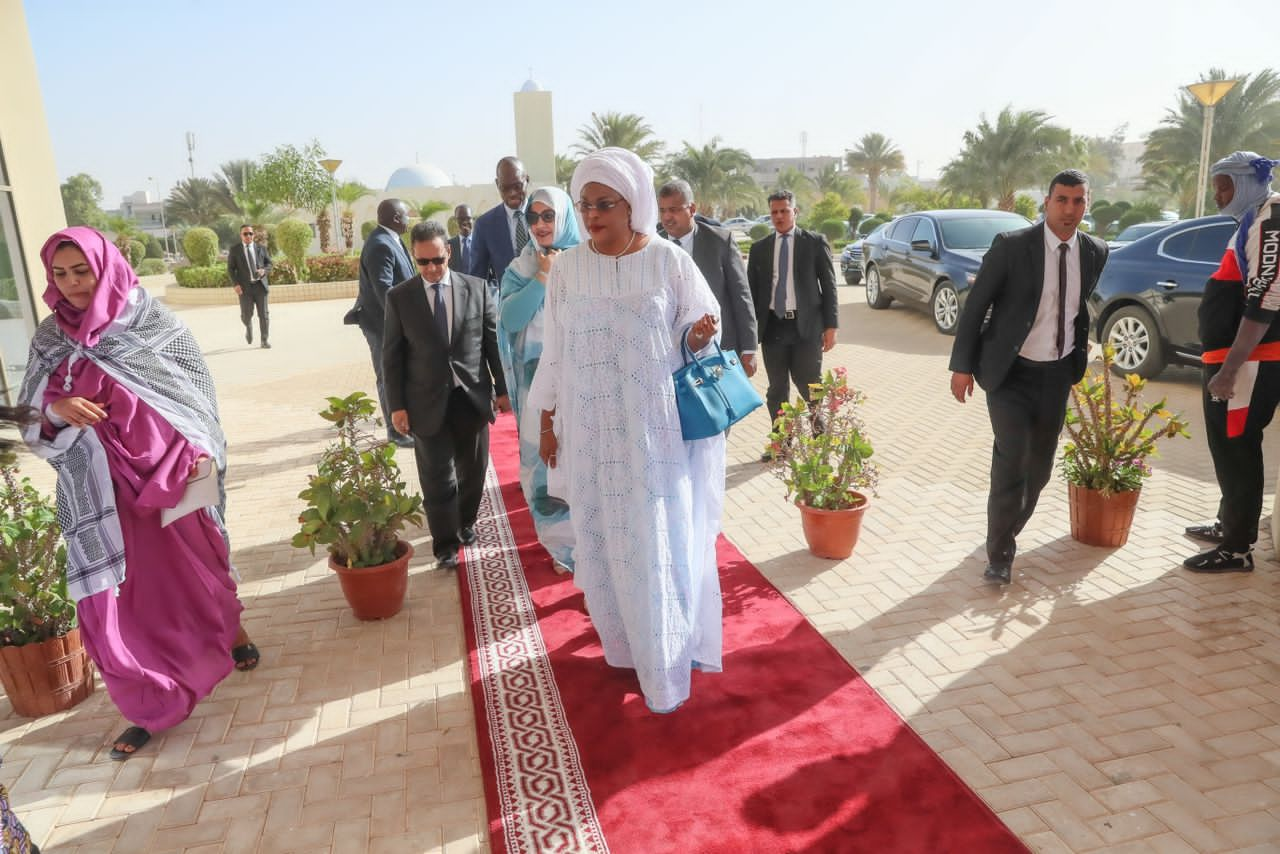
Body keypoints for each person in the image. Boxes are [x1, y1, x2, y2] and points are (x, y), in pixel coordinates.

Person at [18, 227, 255, 761]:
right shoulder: (50, 338)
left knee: (203, 569)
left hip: (173, 471)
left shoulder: (151, 320)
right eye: (60, 274)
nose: (72, 284)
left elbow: (196, 396)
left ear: (106, 265)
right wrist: (59, 410)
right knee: (120, 600)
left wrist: (201, 448)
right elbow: (31, 412)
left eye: (82, 271)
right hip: (100, 490)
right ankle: (149, 703)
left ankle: (233, 633)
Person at [528, 147, 725, 714]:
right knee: (605, 533)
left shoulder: (667, 262)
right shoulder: (566, 269)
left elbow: (697, 337)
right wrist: (547, 425)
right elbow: (556, 356)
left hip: (653, 431)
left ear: (633, 202)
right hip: (591, 432)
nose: (592, 216)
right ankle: (623, 645)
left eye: (605, 204)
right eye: (585, 205)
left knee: (654, 535)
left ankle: (664, 659)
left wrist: (695, 337)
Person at [948, 170, 1109, 584]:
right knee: (1011, 458)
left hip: (1057, 374)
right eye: (1062, 200)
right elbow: (976, 305)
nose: (1070, 209)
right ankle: (999, 553)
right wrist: (962, 366)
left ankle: (1006, 530)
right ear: (1046, 201)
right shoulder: (1012, 247)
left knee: (1039, 469)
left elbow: (1077, 309)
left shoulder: (1095, 251)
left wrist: (1080, 353)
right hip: (1010, 372)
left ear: (1087, 203)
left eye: (1078, 201)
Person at [383, 220, 511, 570]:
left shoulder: (478, 289)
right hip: (425, 402)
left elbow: (492, 344)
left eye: (437, 260)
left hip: (471, 397)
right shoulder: (399, 298)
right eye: (423, 262)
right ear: (414, 258)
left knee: (473, 470)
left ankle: (465, 522)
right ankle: (445, 545)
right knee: (437, 475)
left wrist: (502, 389)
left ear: (448, 252)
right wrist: (396, 406)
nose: (432, 269)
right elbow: (391, 358)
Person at [1183, 151, 1280, 573]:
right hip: (1236, 357)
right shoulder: (1253, 218)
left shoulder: (1272, 218)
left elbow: (1266, 299)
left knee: (1237, 447)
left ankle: (1238, 547)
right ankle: (1229, 522)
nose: (1219, 196)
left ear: (1247, 182)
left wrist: (1230, 368)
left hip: (1253, 360)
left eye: (1225, 186)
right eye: (1216, 186)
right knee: (1226, 446)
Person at [498, 187, 580, 570]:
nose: (541, 224)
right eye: (534, 217)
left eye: (549, 216)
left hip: (582, 381)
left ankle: (591, 545)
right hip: (537, 386)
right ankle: (563, 548)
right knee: (543, 468)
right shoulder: (522, 267)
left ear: (563, 216)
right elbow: (510, 321)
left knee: (582, 462)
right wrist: (543, 278)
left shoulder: (589, 260)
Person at [747, 190, 838, 460]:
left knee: (811, 385)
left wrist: (831, 325)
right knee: (776, 390)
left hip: (806, 328)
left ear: (795, 212)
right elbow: (750, 294)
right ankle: (781, 443)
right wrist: (749, 333)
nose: (778, 216)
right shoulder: (759, 248)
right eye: (774, 212)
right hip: (773, 328)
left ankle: (820, 438)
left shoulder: (814, 243)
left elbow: (830, 286)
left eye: (784, 211)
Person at [659, 180, 758, 383]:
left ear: (692, 208)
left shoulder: (720, 241)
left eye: (674, 209)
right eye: (662, 210)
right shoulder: (653, 246)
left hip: (716, 348)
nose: (667, 217)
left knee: (719, 409)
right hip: (668, 351)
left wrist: (749, 348)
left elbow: (741, 296)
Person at [353, 199, 416, 448]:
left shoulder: (390, 239)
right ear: (397, 218)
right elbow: (384, 289)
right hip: (382, 323)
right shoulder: (380, 244)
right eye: (407, 215)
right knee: (388, 374)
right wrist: (400, 322)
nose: (410, 219)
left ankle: (404, 424)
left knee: (398, 373)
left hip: (388, 320)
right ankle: (395, 432)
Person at [469, 157, 530, 286]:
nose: (512, 193)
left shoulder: (546, 214)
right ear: (497, 184)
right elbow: (477, 280)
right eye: (505, 188)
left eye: (517, 186)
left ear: (527, 180)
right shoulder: (485, 225)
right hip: (510, 303)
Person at [226, 223, 272, 348]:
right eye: (245, 234)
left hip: (260, 286)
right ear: (241, 235)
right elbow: (230, 269)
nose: (248, 236)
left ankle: (264, 340)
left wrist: (263, 271)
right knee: (246, 315)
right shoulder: (235, 250)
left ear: (253, 235)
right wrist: (235, 284)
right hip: (245, 288)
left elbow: (269, 264)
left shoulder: (261, 248)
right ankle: (248, 326)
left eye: (250, 233)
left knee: (264, 314)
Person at [448, 205, 475, 274]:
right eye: (461, 219)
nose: (465, 222)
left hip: (480, 284)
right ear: (455, 221)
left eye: (468, 218)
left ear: (473, 220)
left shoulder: (483, 243)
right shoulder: (448, 245)